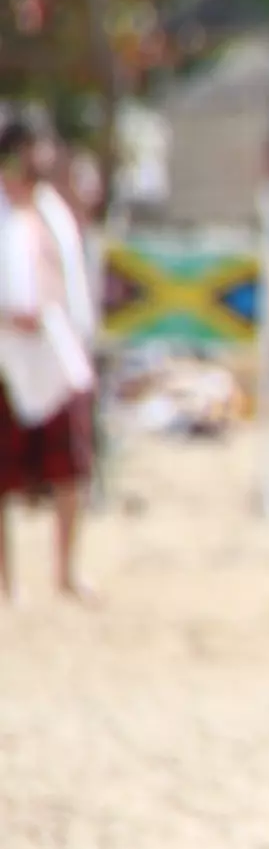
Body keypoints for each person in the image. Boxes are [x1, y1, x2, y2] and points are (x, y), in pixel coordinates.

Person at [0, 118, 97, 603]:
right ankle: (5, 581)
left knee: (70, 469)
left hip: (55, 349)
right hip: (6, 353)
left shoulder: (53, 212)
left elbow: (71, 282)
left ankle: (66, 570)